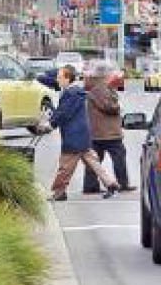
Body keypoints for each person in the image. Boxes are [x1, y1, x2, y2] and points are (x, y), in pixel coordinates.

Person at [41, 65, 120, 201]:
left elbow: (64, 113)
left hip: (73, 136)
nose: (57, 80)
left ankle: (59, 192)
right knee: (93, 162)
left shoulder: (70, 94)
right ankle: (111, 184)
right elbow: (64, 111)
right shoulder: (77, 92)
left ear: (67, 79)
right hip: (82, 134)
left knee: (65, 167)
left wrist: (50, 124)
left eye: (60, 78)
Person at [82, 62, 133, 194]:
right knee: (118, 158)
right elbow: (108, 106)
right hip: (107, 133)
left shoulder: (98, 88)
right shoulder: (101, 89)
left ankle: (91, 186)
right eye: (111, 73)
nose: (114, 76)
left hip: (99, 132)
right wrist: (118, 107)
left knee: (94, 160)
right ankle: (121, 184)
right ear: (105, 75)